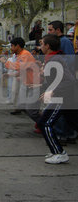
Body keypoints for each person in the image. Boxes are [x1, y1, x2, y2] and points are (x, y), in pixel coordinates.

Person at [37, 34, 78, 164]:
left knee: (45, 123)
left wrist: (52, 92)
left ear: (48, 46)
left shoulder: (55, 59)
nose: (40, 46)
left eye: (42, 44)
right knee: (74, 123)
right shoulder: (52, 58)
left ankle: (59, 152)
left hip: (63, 98)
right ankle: (57, 151)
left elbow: (69, 81)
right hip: (64, 98)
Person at [0, 37, 41, 121]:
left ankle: (45, 124)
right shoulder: (21, 55)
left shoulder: (25, 54)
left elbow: (19, 66)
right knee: (30, 108)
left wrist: (5, 62)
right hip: (28, 84)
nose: (11, 48)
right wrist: (9, 75)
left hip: (33, 84)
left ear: (17, 46)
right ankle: (41, 124)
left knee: (31, 109)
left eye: (12, 46)